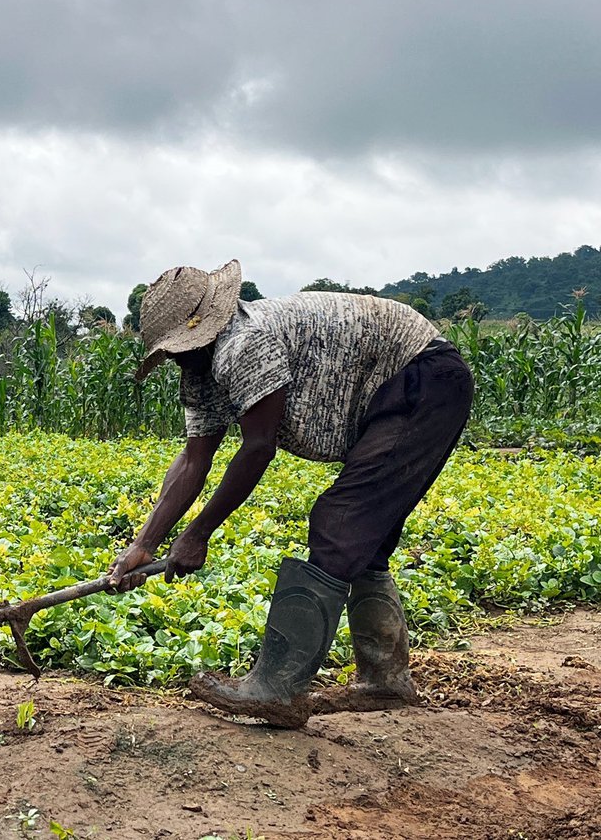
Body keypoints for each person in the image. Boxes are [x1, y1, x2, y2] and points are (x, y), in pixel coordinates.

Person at [107, 260, 474, 728]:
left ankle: (277, 689)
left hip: (423, 378)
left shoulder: (244, 345)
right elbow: (194, 460)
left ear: (204, 331)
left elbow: (258, 449)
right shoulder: (200, 372)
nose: (177, 358)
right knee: (366, 537)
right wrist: (144, 543)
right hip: (403, 386)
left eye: (180, 349)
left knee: (340, 522)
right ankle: (386, 681)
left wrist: (197, 534)